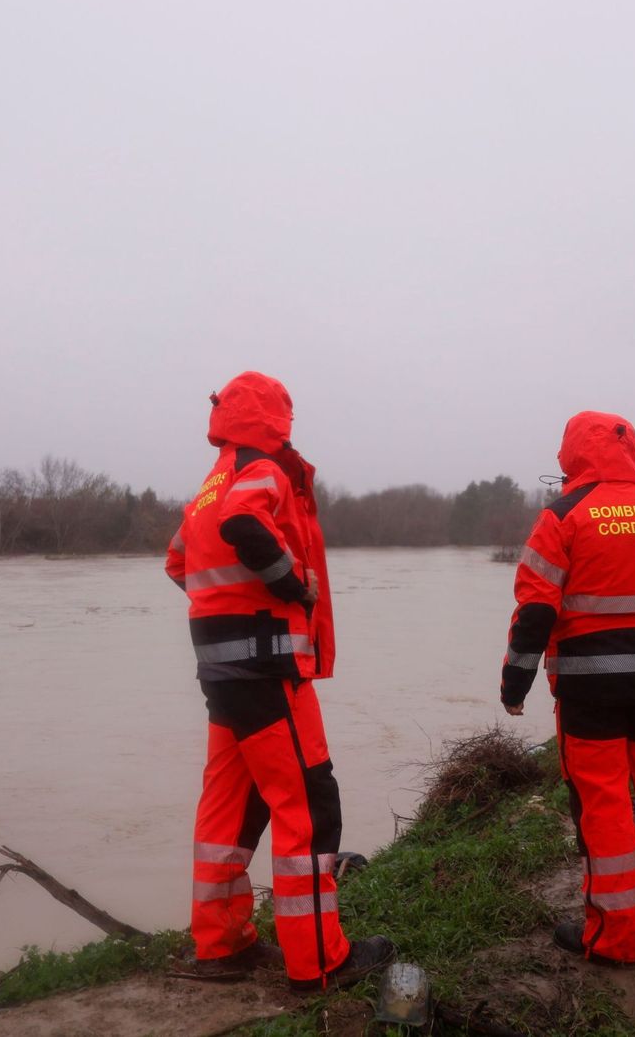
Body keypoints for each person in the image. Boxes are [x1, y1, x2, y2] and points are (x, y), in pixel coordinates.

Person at [165, 371, 394, 988]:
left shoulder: (209, 486)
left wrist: (225, 615)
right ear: (277, 419)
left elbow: (177, 563)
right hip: (269, 671)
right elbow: (247, 525)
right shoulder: (262, 471)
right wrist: (291, 584)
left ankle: (221, 945)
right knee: (309, 804)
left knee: (230, 808)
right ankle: (319, 959)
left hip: (221, 673)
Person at [500, 411, 635, 964]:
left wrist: (515, 682)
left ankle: (614, 937)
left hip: (586, 691)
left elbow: (534, 612)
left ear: (571, 454)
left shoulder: (562, 515)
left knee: (603, 805)